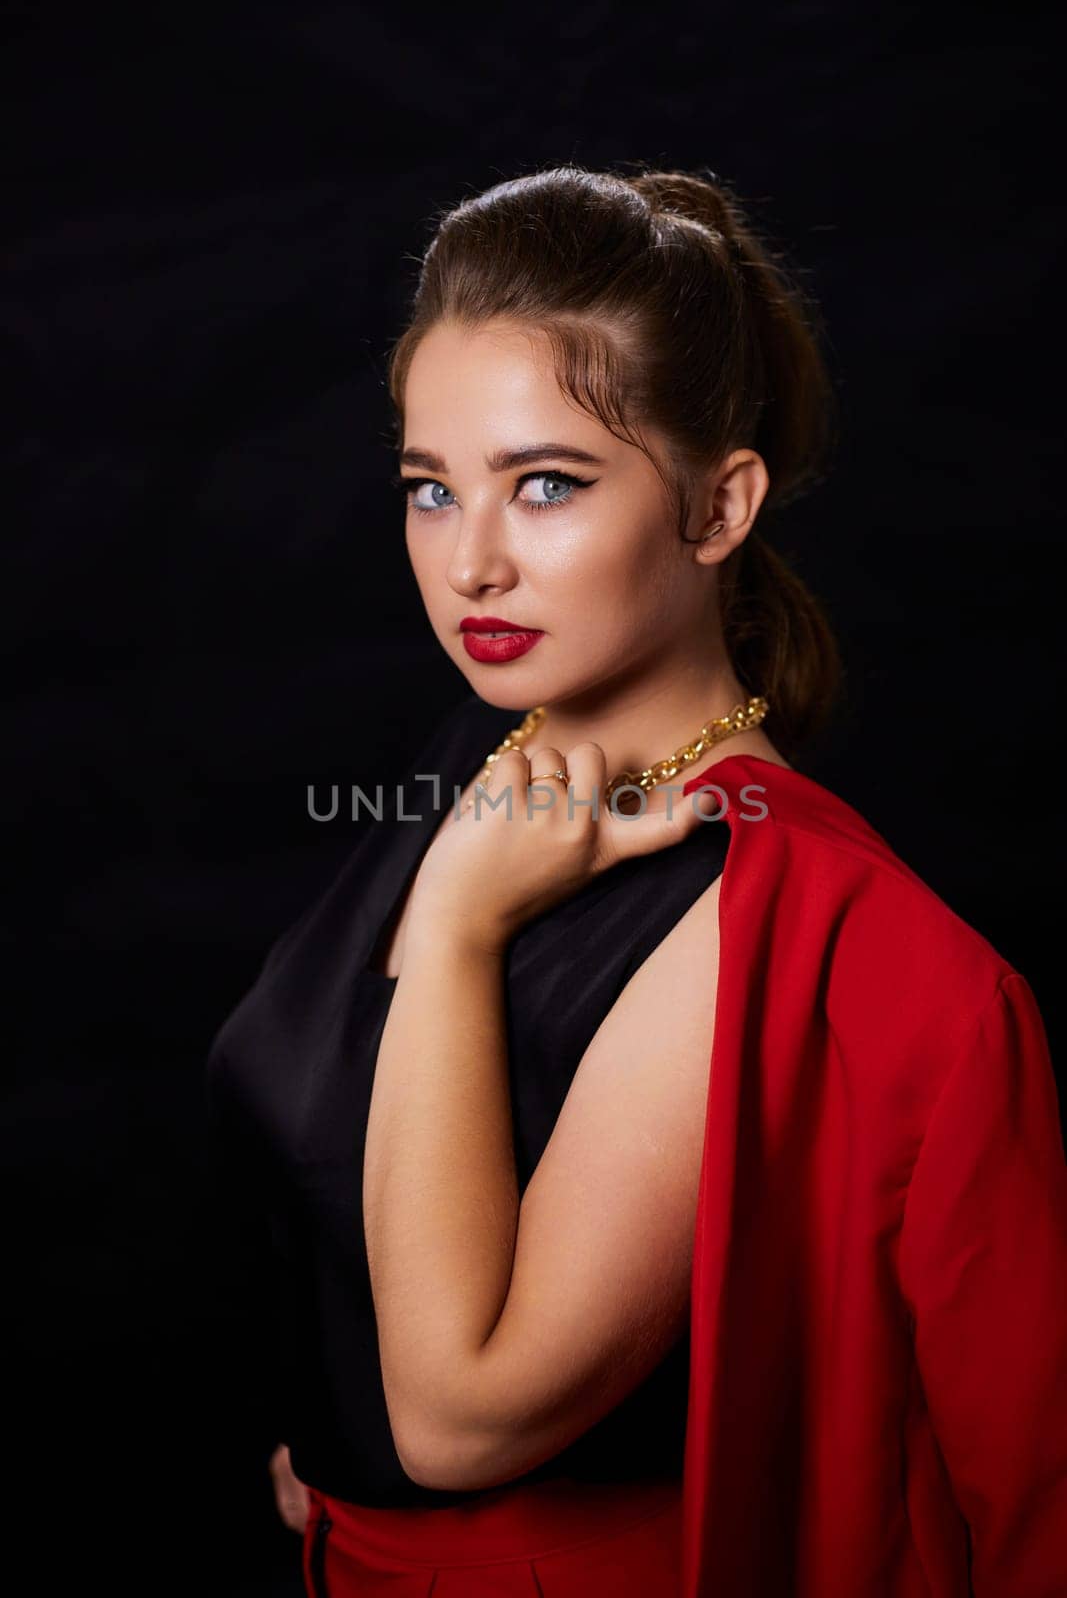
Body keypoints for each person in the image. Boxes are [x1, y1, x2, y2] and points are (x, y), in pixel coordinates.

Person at [204, 163, 1067, 1596]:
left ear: (719, 505)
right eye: (432, 490)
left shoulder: (771, 901)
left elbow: (462, 1417)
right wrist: (322, 1425)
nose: (471, 563)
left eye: (547, 485)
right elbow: (329, 1151)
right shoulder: (478, 761)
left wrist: (470, 929)